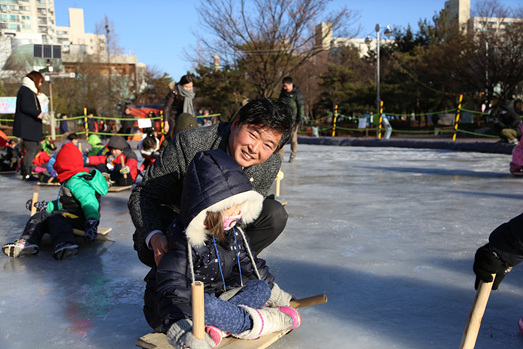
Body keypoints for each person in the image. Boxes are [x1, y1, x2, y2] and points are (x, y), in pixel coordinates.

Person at [143, 150, 301, 348]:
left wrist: (278, 296)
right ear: (209, 207)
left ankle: (220, 327)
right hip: (182, 308)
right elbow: (171, 290)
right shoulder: (184, 237)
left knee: (260, 288)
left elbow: (251, 267)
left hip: (218, 297)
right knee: (205, 305)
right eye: (231, 206)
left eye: (241, 205)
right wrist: (183, 331)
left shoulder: (233, 229)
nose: (238, 212)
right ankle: (249, 323)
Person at [129, 98, 293, 268]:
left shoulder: (270, 162)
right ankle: (177, 273)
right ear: (236, 123)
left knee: (275, 214)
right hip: (179, 227)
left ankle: (229, 270)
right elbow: (143, 194)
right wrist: (155, 238)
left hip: (225, 230)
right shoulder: (190, 144)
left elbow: (249, 213)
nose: (255, 148)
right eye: (253, 135)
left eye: (268, 145)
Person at [2, 142, 108, 260]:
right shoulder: (70, 181)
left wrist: (92, 223)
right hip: (68, 215)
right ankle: (27, 241)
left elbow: (90, 203)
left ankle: (65, 243)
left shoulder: (78, 182)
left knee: (57, 218)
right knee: (40, 216)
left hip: (82, 220)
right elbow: (63, 204)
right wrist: (44, 206)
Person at [12, 71, 50, 181]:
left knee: (37, 147)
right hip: (27, 127)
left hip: (31, 126)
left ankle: (27, 168)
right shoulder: (26, 91)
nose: (41, 84)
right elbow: (25, 107)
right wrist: (40, 114)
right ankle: (26, 172)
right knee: (31, 149)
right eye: (40, 82)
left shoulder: (29, 91)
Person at [278, 76, 305, 163]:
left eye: (286, 86)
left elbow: (301, 106)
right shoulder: (282, 93)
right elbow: (279, 105)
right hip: (284, 119)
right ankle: (280, 156)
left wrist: (300, 118)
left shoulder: (297, 93)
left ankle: (293, 154)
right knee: (282, 138)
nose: (284, 88)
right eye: (283, 86)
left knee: (293, 138)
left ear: (291, 84)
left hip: (294, 119)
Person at [163, 75, 195, 140]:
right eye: (186, 87)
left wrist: (194, 121)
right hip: (174, 117)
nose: (188, 89)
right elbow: (167, 107)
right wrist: (166, 122)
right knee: (174, 138)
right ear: (181, 84)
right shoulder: (174, 91)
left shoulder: (192, 93)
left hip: (187, 117)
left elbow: (193, 108)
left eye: (190, 86)